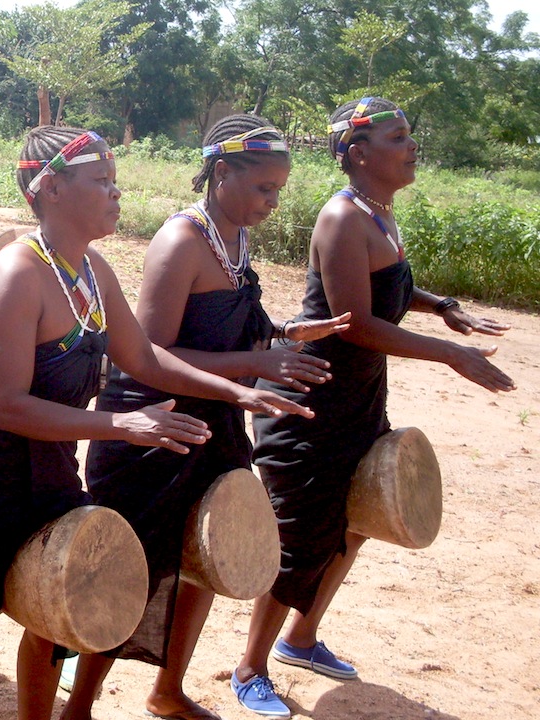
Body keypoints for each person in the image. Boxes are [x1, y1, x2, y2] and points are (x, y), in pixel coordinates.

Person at [0, 125, 312, 720]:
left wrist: (235, 392)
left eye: (115, 181)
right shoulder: (18, 273)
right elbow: (6, 407)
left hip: (44, 467)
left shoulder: (91, 268)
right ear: (50, 191)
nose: (116, 193)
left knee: (54, 614)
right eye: (101, 181)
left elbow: (144, 358)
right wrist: (124, 425)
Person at [229, 97, 515, 719]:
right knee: (300, 534)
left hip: (355, 397)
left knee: (354, 521)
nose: (411, 145)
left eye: (409, 134)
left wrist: (443, 307)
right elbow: (356, 322)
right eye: (398, 136)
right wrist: (448, 355)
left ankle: (300, 640)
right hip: (309, 394)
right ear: (360, 154)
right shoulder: (341, 217)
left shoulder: (378, 213)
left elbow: (391, 285)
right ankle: (249, 669)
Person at [59, 116, 349, 720]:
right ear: (221, 173)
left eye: (279, 190)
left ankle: (167, 690)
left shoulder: (235, 238)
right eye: (264, 188)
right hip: (154, 426)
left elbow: (227, 323)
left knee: (201, 559)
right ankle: (79, 707)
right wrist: (254, 365)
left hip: (215, 421)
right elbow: (149, 352)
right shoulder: (182, 241)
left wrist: (285, 333)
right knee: (129, 573)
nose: (273, 201)